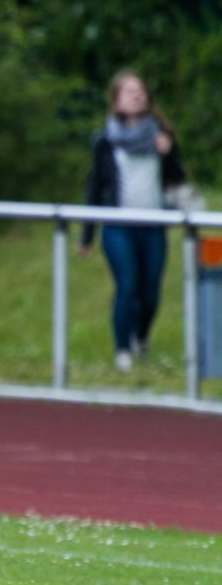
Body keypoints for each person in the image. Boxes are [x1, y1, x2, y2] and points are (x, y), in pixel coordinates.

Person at [79, 69, 186, 372]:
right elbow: (95, 187)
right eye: (130, 91)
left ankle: (141, 337)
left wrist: (170, 152)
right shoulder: (106, 141)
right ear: (116, 101)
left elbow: (177, 179)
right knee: (127, 284)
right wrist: (87, 235)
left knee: (150, 291)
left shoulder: (160, 136)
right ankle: (122, 348)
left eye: (140, 90)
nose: (137, 95)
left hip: (153, 225)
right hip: (118, 225)